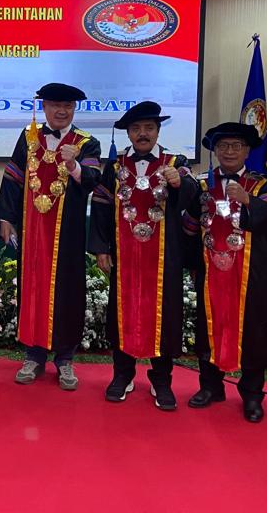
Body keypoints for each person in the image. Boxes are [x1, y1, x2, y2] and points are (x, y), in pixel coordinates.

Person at [90, 101, 195, 410]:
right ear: (129, 134)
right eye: (136, 129)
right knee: (122, 313)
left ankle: (161, 381)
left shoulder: (176, 162)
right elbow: (101, 207)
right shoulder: (115, 167)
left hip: (163, 257)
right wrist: (100, 248)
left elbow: (193, 197)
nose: (142, 133)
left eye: (149, 128)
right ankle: (122, 375)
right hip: (125, 257)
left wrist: (179, 182)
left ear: (158, 131)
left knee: (164, 315)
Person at [0, 83, 102, 391]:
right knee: (33, 289)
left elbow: (93, 180)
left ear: (74, 109)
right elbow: (13, 178)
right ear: (44, 107)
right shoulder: (29, 138)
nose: (61, 111)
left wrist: (73, 165)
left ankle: (65, 359)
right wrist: (6, 219)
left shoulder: (87, 142)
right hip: (32, 233)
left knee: (67, 291)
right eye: (55, 105)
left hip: (68, 233)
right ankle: (33, 356)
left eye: (67, 106)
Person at [181, 122, 267, 422]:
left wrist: (248, 200)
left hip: (251, 274)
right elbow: (189, 227)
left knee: (252, 330)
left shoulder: (262, 184)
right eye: (223, 146)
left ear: (247, 151)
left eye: (236, 146)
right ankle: (210, 387)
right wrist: (192, 263)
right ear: (214, 150)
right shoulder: (202, 185)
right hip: (211, 272)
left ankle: (252, 395)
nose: (229, 151)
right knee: (209, 327)